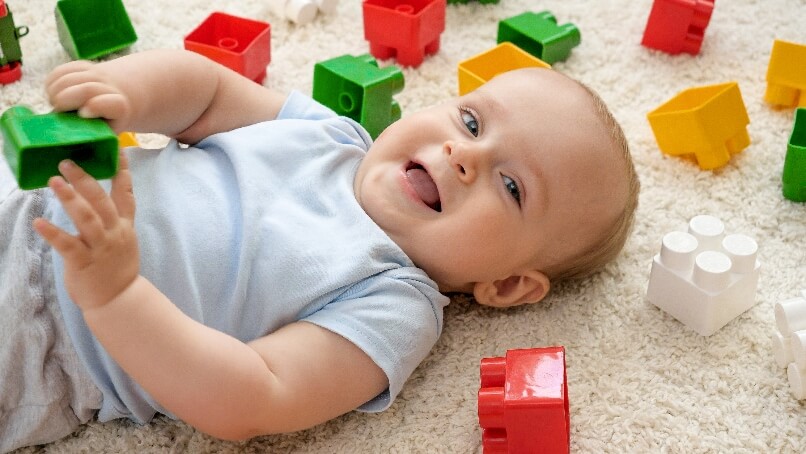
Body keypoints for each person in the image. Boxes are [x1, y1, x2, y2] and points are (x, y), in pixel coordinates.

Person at [0, 48, 639, 452]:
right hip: (30, 183)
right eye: (471, 121)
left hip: (43, 335)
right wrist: (127, 93)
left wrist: (116, 296)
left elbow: (252, 398)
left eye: (512, 186)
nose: (464, 154)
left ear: (506, 285)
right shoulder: (329, 132)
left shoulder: (394, 303)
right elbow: (207, 92)